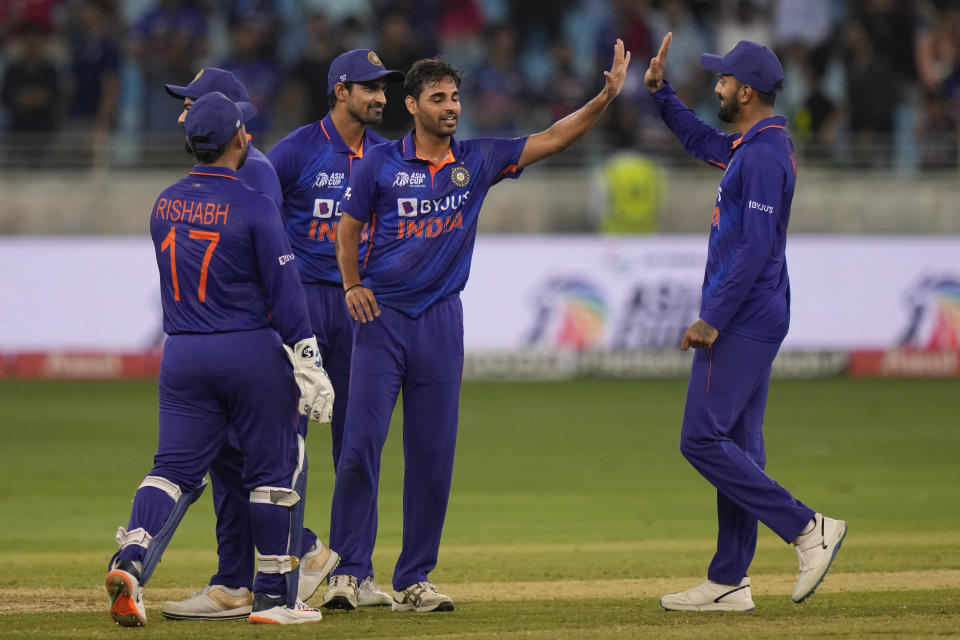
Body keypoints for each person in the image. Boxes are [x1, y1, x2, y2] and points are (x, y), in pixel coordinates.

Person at [323, 41, 631, 612]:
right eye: (438, 98)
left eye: (456, 98)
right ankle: (349, 573)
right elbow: (346, 230)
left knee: (433, 459)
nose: (451, 107)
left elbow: (554, 137)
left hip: (441, 324)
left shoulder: (479, 160)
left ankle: (414, 578)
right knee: (360, 449)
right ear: (411, 105)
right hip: (382, 322)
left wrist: (605, 97)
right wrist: (352, 285)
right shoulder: (378, 165)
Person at [104, 91, 334, 626]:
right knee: (274, 469)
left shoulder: (163, 203)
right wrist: (309, 360)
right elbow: (285, 290)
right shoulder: (254, 205)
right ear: (239, 139)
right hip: (248, 350)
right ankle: (276, 599)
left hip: (182, 353)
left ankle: (131, 561)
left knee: (172, 471)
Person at [644, 33, 847, 612]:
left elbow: (755, 247)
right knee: (736, 444)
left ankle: (809, 529)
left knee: (700, 438)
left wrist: (712, 318)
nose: (717, 86)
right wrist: (661, 95)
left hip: (744, 315)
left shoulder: (760, 156)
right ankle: (729, 579)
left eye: (724, 80)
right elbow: (702, 139)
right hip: (758, 312)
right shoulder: (752, 145)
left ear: (747, 91)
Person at [266, 49, 404, 609]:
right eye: (370, 87)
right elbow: (259, 224)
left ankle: (353, 572)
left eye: (384, 88)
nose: (381, 97)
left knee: (359, 444)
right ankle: (287, 564)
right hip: (301, 310)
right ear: (340, 90)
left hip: (361, 308)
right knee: (286, 446)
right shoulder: (295, 151)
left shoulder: (389, 156)